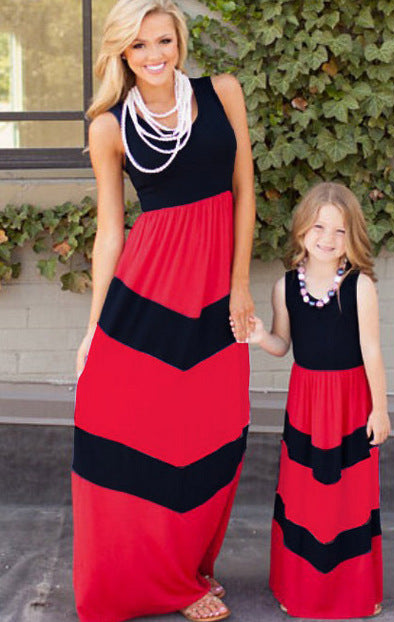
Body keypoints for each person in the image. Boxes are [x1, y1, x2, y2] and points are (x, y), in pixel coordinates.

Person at [73, 1, 255, 620]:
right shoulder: (109, 127)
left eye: (164, 41)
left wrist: (239, 285)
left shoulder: (222, 92)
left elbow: (244, 190)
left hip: (214, 293)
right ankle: (163, 582)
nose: (154, 55)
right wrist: (94, 329)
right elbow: (110, 233)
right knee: (129, 431)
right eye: (140, 45)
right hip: (146, 291)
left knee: (213, 433)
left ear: (179, 42)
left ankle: (185, 568)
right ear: (122, 53)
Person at [244, 182, 390, 618]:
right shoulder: (285, 287)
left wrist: (380, 409)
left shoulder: (360, 287)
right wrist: (259, 336)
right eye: (319, 227)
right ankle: (299, 588)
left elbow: (372, 351)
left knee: (350, 496)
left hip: (350, 402)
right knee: (305, 496)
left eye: (340, 230)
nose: (328, 238)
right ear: (302, 229)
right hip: (306, 402)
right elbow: (282, 343)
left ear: (352, 236)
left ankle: (356, 592)